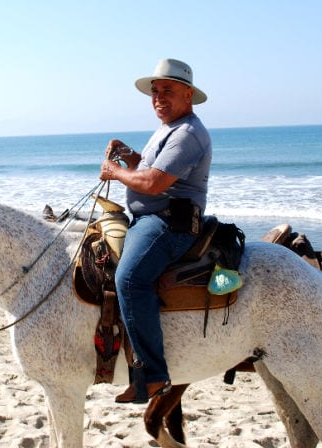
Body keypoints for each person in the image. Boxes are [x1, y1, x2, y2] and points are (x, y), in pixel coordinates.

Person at [99, 58, 212, 403]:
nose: (158, 97)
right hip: (150, 219)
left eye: (168, 91)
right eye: (155, 91)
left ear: (188, 94)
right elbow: (148, 167)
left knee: (129, 279)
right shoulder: (168, 128)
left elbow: (153, 182)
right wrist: (129, 156)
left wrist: (114, 172)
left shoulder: (188, 133)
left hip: (168, 224)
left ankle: (152, 374)